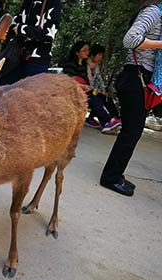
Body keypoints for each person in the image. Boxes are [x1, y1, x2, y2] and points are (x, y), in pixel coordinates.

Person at [100, 0, 162, 196]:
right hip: (135, 77)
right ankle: (110, 178)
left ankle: (115, 174)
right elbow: (130, 39)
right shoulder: (154, 12)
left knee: (132, 132)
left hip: (139, 78)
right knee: (131, 132)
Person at [0, 0, 62, 88]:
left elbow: (49, 34)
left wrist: (21, 29)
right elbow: (14, 22)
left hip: (37, 61)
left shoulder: (53, 3)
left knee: (30, 96)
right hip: (16, 56)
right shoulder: (28, 2)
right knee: (0, 90)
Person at [63, 41, 122, 134]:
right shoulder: (70, 64)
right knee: (94, 99)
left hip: (85, 91)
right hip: (73, 93)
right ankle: (108, 121)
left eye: (88, 50)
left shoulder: (83, 66)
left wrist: (96, 89)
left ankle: (111, 121)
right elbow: (68, 80)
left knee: (103, 97)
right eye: (84, 50)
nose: (87, 52)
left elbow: (90, 80)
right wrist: (84, 86)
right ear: (77, 52)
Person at [86, 44, 121, 128]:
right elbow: (89, 82)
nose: (101, 57)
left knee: (107, 99)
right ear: (92, 55)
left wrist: (103, 89)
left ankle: (116, 118)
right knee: (97, 100)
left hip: (94, 91)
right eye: (99, 55)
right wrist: (98, 91)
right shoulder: (86, 65)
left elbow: (99, 78)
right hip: (86, 91)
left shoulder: (96, 66)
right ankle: (107, 121)